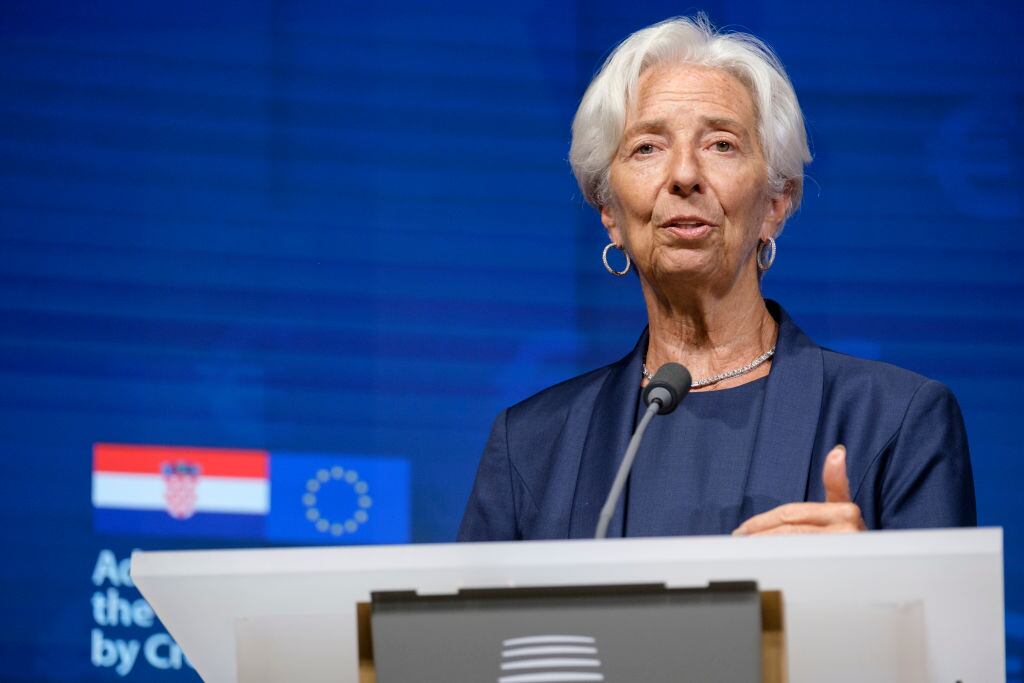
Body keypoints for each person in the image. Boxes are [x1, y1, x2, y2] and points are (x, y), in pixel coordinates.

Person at [458, 16, 975, 541]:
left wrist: (865, 577)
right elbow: (472, 624)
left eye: (721, 144)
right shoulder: (529, 446)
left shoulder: (896, 421)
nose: (684, 175)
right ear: (609, 211)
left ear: (777, 201)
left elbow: (948, 621)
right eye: (647, 148)